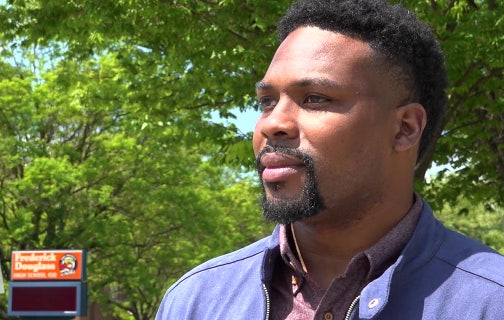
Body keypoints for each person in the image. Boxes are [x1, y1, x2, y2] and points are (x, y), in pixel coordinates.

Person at [155, 0, 504, 319]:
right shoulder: (195, 300)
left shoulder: (490, 301)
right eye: (267, 102)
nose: (273, 123)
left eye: (315, 98)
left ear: (404, 129)